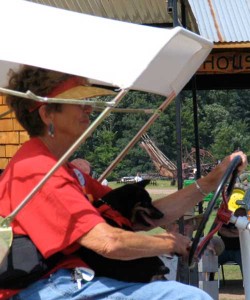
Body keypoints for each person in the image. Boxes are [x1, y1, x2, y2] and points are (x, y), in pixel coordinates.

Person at [0, 65, 247, 300]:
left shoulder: (58, 166)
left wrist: (214, 179)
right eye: (77, 101)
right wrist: (167, 242)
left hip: (70, 282)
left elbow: (141, 216)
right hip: (51, 286)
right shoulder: (37, 169)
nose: (88, 108)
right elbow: (109, 241)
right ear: (46, 114)